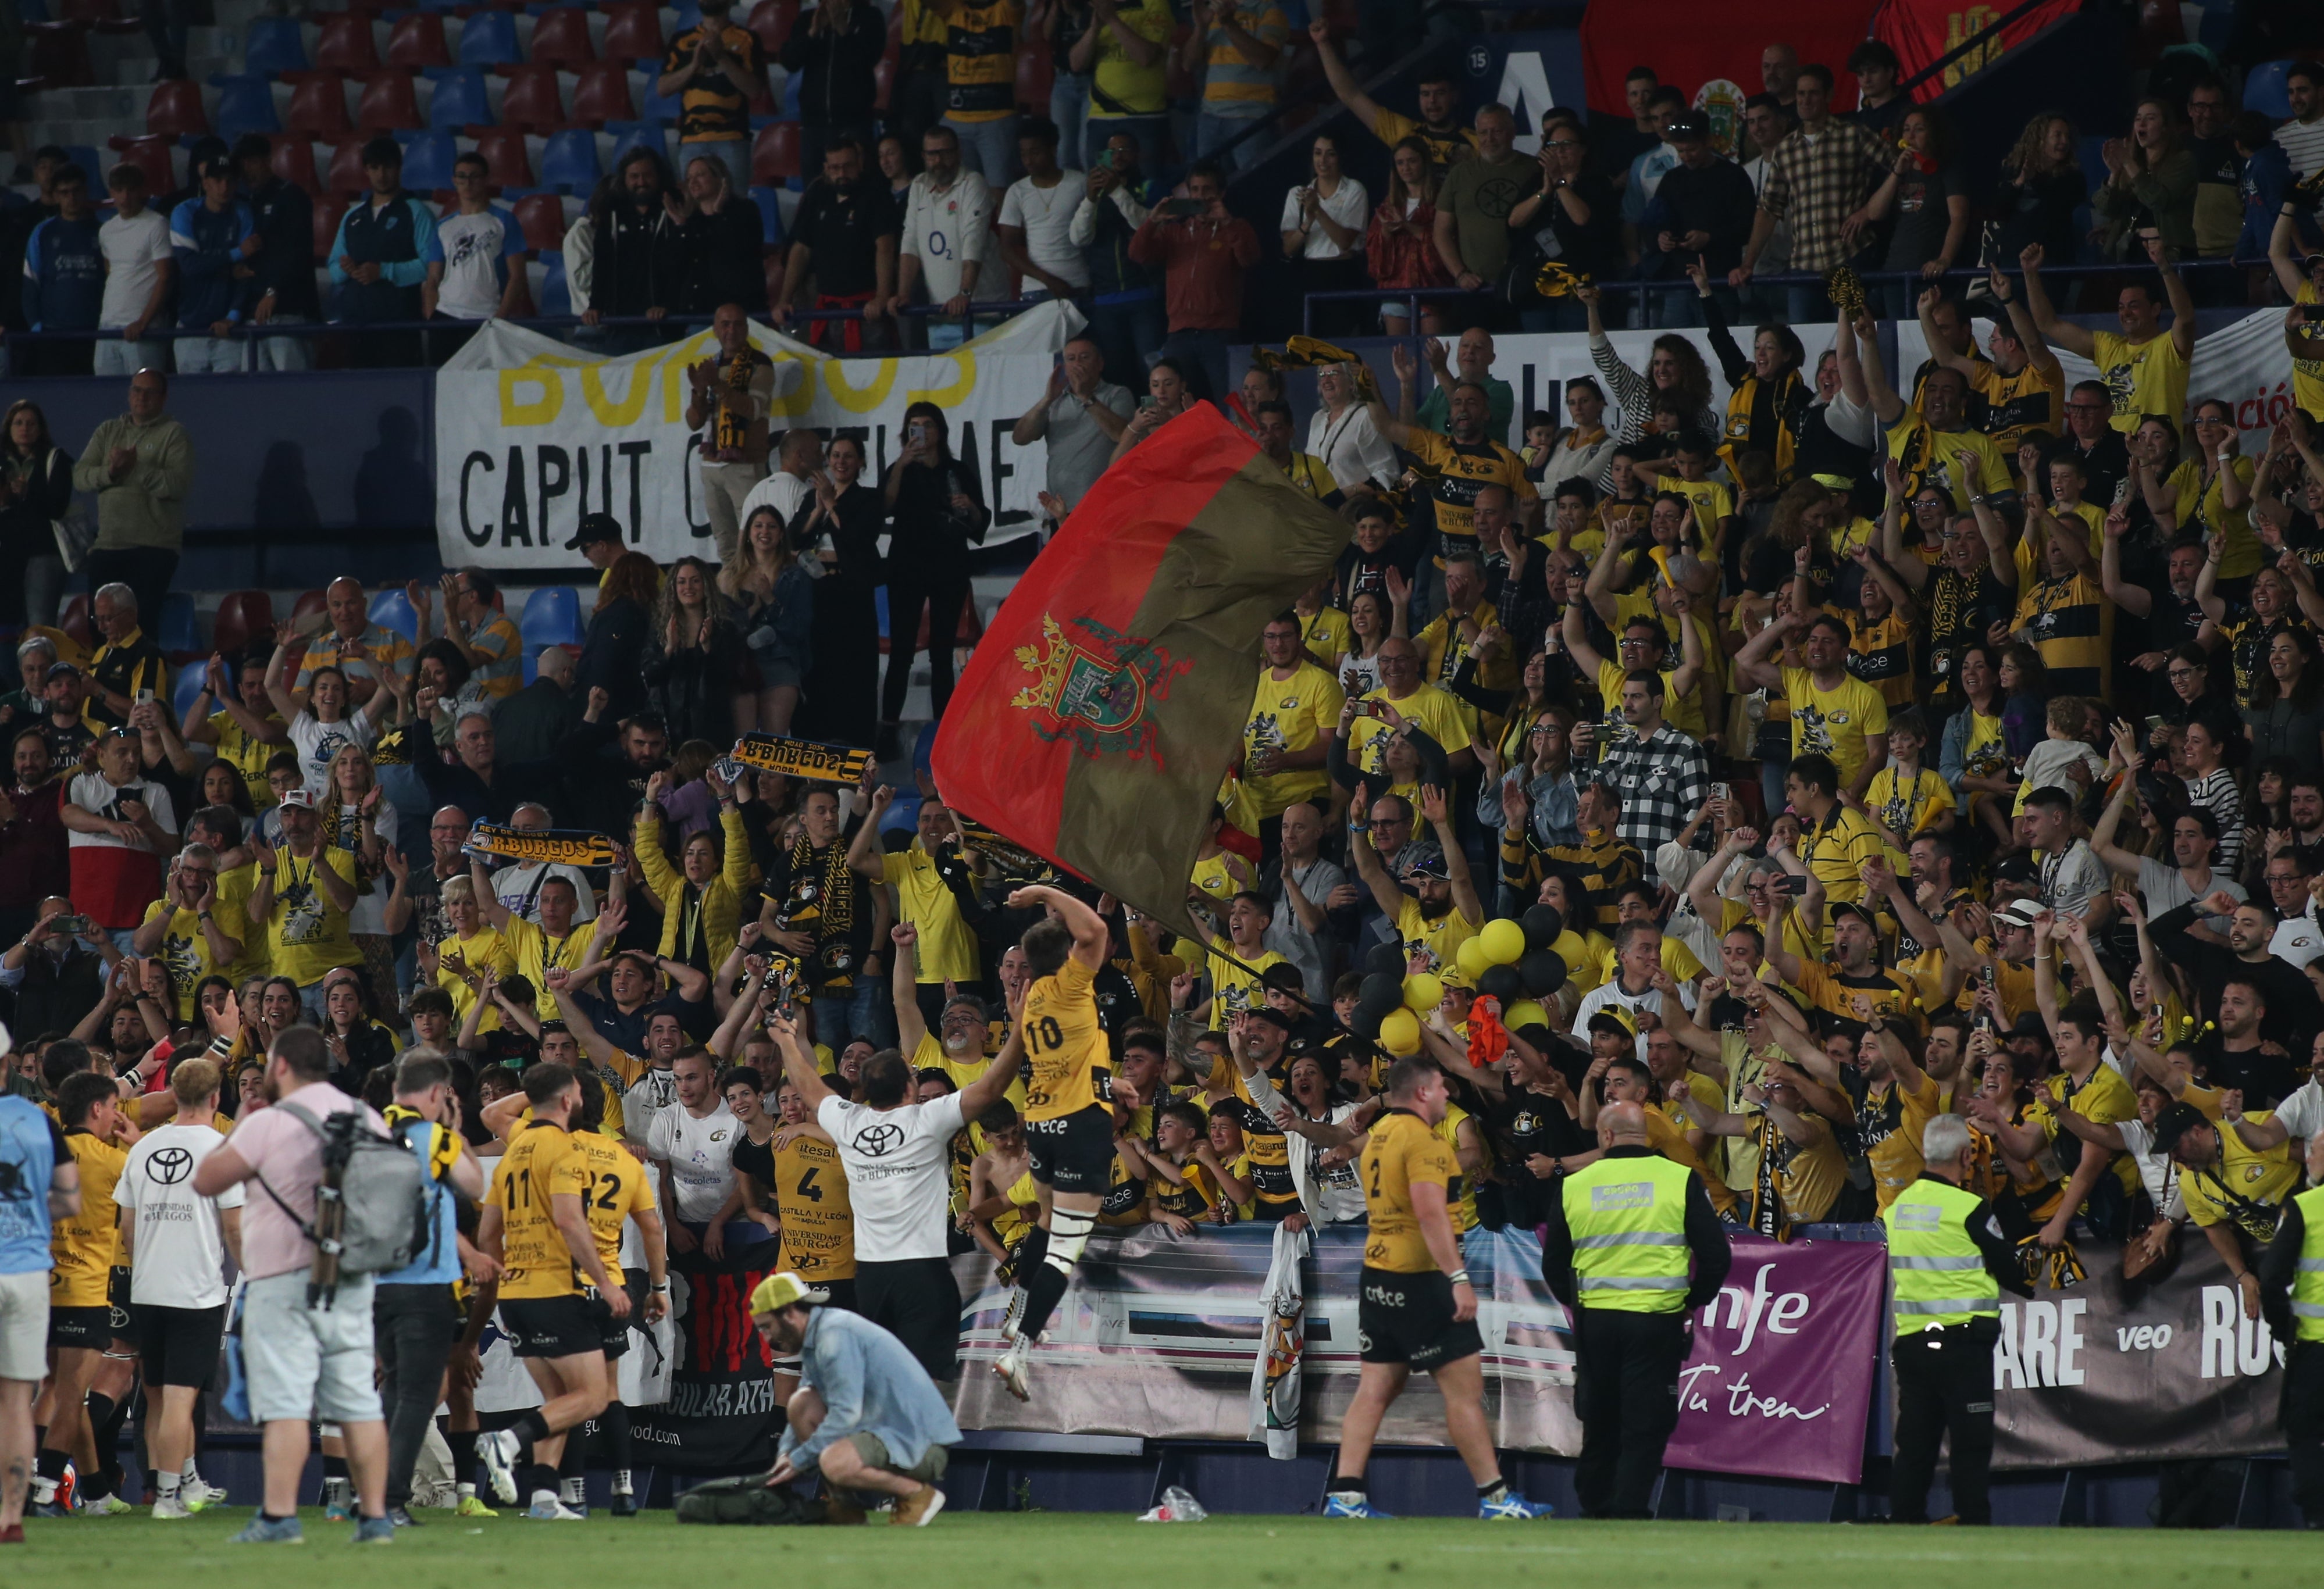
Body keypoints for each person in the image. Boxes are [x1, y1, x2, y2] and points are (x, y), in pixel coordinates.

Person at [1324, 1058, 1556, 1521]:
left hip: (1378, 1276)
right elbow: (1430, 1214)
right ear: (1423, 1092)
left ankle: (1345, 1496)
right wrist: (1458, 1279)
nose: (1450, 1095)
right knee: (1464, 1390)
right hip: (1423, 1279)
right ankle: (1495, 1498)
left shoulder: (1380, 1136)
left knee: (1375, 1388)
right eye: (1442, 1089)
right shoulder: (1424, 1141)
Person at [191, 1026, 394, 1542]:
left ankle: (280, 1518)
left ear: (280, 1067)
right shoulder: (367, 1117)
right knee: (357, 1401)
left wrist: (241, 1126)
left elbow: (206, 1180)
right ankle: (375, 1518)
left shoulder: (268, 1122)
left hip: (281, 1279)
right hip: (350, 1276)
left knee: (285, 1401)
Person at [770, 994, 1014, 1381]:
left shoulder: (848, 1122)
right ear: (908, 1090)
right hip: (922, 1275)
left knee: (881, 1381)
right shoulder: (926, 1119)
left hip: (870, 1280)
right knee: (925, 1383)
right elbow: (991, 1087)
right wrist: (1019, 1029)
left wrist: (784, 1040)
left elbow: (809, 1086)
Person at [468, 1061, 632, 1520]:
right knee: (595, 1397)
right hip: (555, 1288)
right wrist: (603, 1281)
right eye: (575, 1091)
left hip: (515, 1293)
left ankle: (543, 1497)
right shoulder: (563, 1148)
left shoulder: (514, 1151)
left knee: (560, 1401)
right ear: (567, 1100)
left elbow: (487, 1235)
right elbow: (568, 1219)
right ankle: (507, 1441)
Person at [989, 884, 1113, 1400]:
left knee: (1045, 1221)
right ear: (1068, 954)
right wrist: (1044, 890)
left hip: (1042, 1121)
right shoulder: (1069, 984)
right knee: (1065, 1247)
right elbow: (1099, 930)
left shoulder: (1033, 997)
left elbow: (1076, 1053)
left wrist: (1113, 1081)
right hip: (1081, 1123)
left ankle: (1019, 1299)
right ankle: (1018, 1350)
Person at [1881, 1114, 2036, 1526]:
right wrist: (2032, 1277)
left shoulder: (1897, 1209)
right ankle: (1974, 1523)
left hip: (1914, 1343)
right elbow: (2009, 1266)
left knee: (1914, 1443)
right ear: (1966, 1156)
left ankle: (1904, 1521)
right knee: (1970, 1443)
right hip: (1963, 1343)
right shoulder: (1969, 1207)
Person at [114, 1056, 241, 1519]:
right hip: (196, 1291)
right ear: (215, 1098)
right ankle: (167, 1499)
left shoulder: (144, 1148)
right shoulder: (221, 1149)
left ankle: (184, 1482)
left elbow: (128, 1227)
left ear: (173, 1095)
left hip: (147, 1288)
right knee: (181, 1401)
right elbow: (235, 1230)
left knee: (158, 1397)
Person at [369, 1050, 485, 1528]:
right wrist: (456, 1127)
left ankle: (376, 1492)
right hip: (426, 1284)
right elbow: (474, 1184)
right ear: (437, 1094)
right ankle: (391, 1500)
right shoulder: (431, 1135)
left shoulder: (368, 1132)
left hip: (376, 1283)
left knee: (396, 1389)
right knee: (417, 1395)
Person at [748, 1269, 960, 1526]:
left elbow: (845, 1415)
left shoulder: (835, 1336)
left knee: (833, 1462)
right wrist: (785, 1456)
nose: (768, 1338)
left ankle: (917, 1495)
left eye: (767, 1327)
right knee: (801, 1403)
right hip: (890, 1434)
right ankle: (845, 1508)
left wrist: (799, 1460)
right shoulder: (820, 1334)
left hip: (922, 1446)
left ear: (791, 1313)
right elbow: (803, 1410)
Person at [1732, 64, 1890, 326]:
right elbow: (1769, 209)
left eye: (1813, 93)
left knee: (1854, 337)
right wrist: (1748, 264)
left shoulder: (1854, 135)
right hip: (1803, 267)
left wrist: (1868, 212)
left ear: (1829, 95)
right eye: (1801, 93)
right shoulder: (1786, 149)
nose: (1805, 100)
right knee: (1804, 346)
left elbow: (1898, 170)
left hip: (1847, 258)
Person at [879, 403, 988, 749]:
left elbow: (979, 519)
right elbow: (884, 507)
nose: (922, 432)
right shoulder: (900, 469)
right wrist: (902, 463)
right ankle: (888, 727)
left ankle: (944, 732)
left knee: (942, 652)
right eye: (914, 426)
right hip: (906, 567)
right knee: (901, 652)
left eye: (927, 425)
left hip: (949, 566)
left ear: (940, 431)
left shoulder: (957, 470)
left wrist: (968, 506)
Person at [2019, 238, 2194, 436]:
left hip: (2156, 456)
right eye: (2121, 307)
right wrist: (2030, 274)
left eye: (2134, 306)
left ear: (2155, 309)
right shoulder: (2108, 345)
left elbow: (2186, 316)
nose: (2126, 313)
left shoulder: (2169, 345)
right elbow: (2048, 324)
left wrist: (2164, 266)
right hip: (2113, 456)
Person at [1128, 162, 1259, 405]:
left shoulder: (1237, 227)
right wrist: (1154, 220)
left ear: (1221, 194)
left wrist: (1228, 223)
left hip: (1219, 334)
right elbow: (1137, 253)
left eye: (1207, 190)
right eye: (1195, 190)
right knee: (1180, 408)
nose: (1200, 196)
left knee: (1228, 404)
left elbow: (1249, 259)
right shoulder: (1174, 232)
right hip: (1180, 335)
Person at [70, 368, 191, 629]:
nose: (142, 397)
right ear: (128, 395)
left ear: (164, 398)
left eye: (150, 392)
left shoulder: (174, 434)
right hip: (108, 546)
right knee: (100, 628)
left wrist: (136, 469)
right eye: (137, 390)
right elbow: (80, 476)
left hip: (153, 548)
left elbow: (177, 485)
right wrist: (112, 472)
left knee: (141, 627)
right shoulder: (108, 431)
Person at [2255, 1129, 2324, 1527]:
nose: (2309, 1160)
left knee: (2305, 1431)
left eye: (2314, 1152)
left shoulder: (2306, 1207)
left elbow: (2272, 1277)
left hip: (2316, 1345)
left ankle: (2317, 1517)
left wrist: (2284, 1329)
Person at [774, 140, 901, 353]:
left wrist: (881, 297)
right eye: (835, 168)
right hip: (825, 307)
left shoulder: (876, 194)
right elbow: (801, 249)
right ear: (826, 168)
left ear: (859, 164)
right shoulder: (817, 194)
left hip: (867, 308)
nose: (842, 173)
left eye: (848, 166)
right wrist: (784, 299)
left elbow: (885, 247)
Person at [890, 124, 1003, 351]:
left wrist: (964, 294)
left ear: (959, 152)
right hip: (939, 315)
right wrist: (903, 293)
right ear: (924, 156)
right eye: (932, 154)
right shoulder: (919, 186)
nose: (938, 160)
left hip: (982, 312)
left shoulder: (973, 183)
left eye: (945, 152)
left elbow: (974, 240)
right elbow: (910, 243)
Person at [327, 137, 435, 366]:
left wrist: (385, 271)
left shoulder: (417, 212)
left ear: (398, 168)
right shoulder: (353, 216)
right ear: (366, 170)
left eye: (388, 167)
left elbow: (431, 267)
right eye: (375, 167)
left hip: (399, 327)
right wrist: (346, 269)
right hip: (356, 326)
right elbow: (335, 268)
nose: (382, 174)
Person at [1012, 334, 1132, 525]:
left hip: (1104, 506)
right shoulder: (1055, 401)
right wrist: (1046, 400)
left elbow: (1121, 435)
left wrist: (1086, 397)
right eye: (1071, 359)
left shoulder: (1118, 394)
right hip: (1061, 509)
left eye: (1085, 357)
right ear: (1064, 366)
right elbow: (1019, 438)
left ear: (1100, 363)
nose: (1078, 364)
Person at [656, 0, 765, 199]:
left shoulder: (747, 39)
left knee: (733, 208)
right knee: (694, 210)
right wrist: (694, 65)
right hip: (692, 139)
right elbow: (663, 88)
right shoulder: (682, 40)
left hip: (732, 138)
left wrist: (721, 56)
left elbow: (755, 90)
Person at [231, 133, 319, 373]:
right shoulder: (243, 203)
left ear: (268, 160)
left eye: (253, 162)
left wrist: (274, 290)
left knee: (294, 392)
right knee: (254, 396)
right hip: (252, 315)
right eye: (243, 163)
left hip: (287, 312)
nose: (247, 170)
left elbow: (296, 252)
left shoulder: (290, 196)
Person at [583, 149, 687, 351]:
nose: (641, 182)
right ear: (625, 179)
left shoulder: (675, 212)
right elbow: (602, 265)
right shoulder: (611, 214)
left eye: (647, 175)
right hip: (620, 327)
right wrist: (595, 305)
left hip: (663, 327)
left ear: (659, 177)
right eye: (634, 176)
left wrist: (667, 306)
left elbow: (682, 267)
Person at [1432, 105, 1527, 313]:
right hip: (1476, 291)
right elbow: (1441, 232)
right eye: (1483, 132)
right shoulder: (1460, 174)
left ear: (1512, 132)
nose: (1490, 139)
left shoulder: (1535, 169)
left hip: (1526, 287)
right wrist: (1460, 275)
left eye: (1497, 131)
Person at [779, 0, 886, 178]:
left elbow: (868, 59)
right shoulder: (807, 18)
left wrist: (843, 29)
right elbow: (790, 61)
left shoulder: (869, 17)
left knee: (855, 183)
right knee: (815, 188)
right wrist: (813, 33)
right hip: (813, 123)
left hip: (854, 123)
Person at [996, 116, 1089, 309]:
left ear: (1053, 150)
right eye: (1023, 154)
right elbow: (1007, 248)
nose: (1028, 160)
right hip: (1035, 289)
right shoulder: (1017, 191)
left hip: (1079, 285)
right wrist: (1047, 280)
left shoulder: (1079, 183)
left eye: (1035, 152)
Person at [19, 162, 102, 378]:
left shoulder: (103, 231)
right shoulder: (42, 233)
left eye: (76, 191)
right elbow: (30, 282)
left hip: (95, 333)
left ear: (86, 191)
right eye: (64, 193)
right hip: (53, 335)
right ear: (55, 196)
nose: (71, 198)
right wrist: (37, 328)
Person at [1184, 0, 1286, 174]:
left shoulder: (1269, 10)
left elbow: (1263, 59)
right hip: (1210, 116)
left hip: (1251, 116)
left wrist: (1229, 24)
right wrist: (1200, 28)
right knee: (1210, 191)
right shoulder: (1214, 11)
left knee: (1253, 186)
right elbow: (1188, 64)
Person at [95, 162, 172, 380]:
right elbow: (111, 272)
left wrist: (143, 322)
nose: (125, 197)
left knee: (146, 397)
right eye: (119, 190)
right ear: (111, 192)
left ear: (142, 191)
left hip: (143, 330)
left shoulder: (156, 224)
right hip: (108, 327)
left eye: (130, 190)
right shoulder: (107, 230)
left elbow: (165, 277)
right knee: (105, 397)